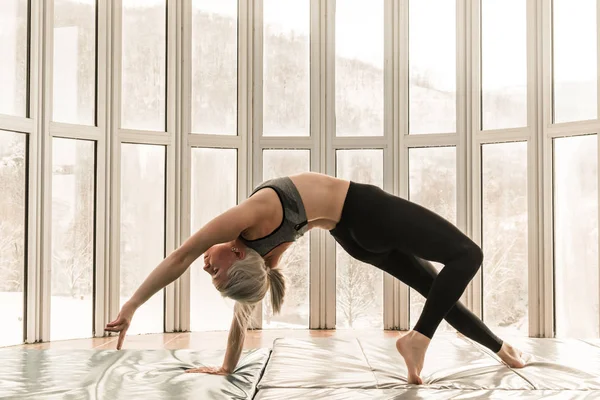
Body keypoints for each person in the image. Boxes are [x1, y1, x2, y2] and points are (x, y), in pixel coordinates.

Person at [105, 172, 525, 384]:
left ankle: (500, 347)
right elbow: (184, 256)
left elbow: (185, 260)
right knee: (468, 254)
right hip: (366, 213)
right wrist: (132, 306)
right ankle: (419, 339)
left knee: (438, 291)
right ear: (235, 255)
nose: (204, 264)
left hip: (356, 240)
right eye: (213, 271)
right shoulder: (253, 228)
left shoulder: (261, 252)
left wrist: (225, 365)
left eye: (209, 271)